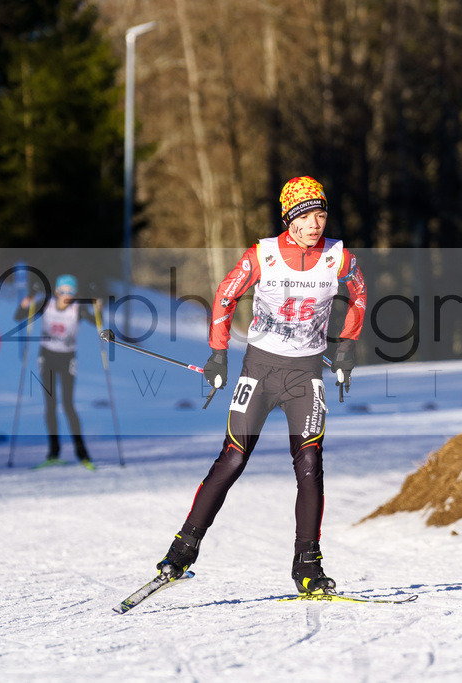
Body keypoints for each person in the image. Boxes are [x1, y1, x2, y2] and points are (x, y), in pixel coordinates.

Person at [155, 176, 367, 594]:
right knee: (233, 458)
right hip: (260, 371)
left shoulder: (339, 258)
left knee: (310, 466)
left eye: (321, 215)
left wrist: (347, 346)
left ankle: (307, 565)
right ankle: (182, 551)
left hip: (305, 375)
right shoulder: (262, 255)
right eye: (306, 216)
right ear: (289, 217)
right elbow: (223, 296)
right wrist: (219, 353)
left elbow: (359, 296)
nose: (315, 224)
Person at [15, 274, 95, 469]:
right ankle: (53, 452)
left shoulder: (78, 308)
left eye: (71, 292)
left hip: (67, 358)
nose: (67, 295)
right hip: (48, 357)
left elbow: (96, 322)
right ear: (57, 291)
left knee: (68, 405)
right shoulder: (46, 304)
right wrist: (28, 301)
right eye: (63, 291)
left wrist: (97, 308)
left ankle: (82, 453)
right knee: (50, 405)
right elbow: (19, 316)